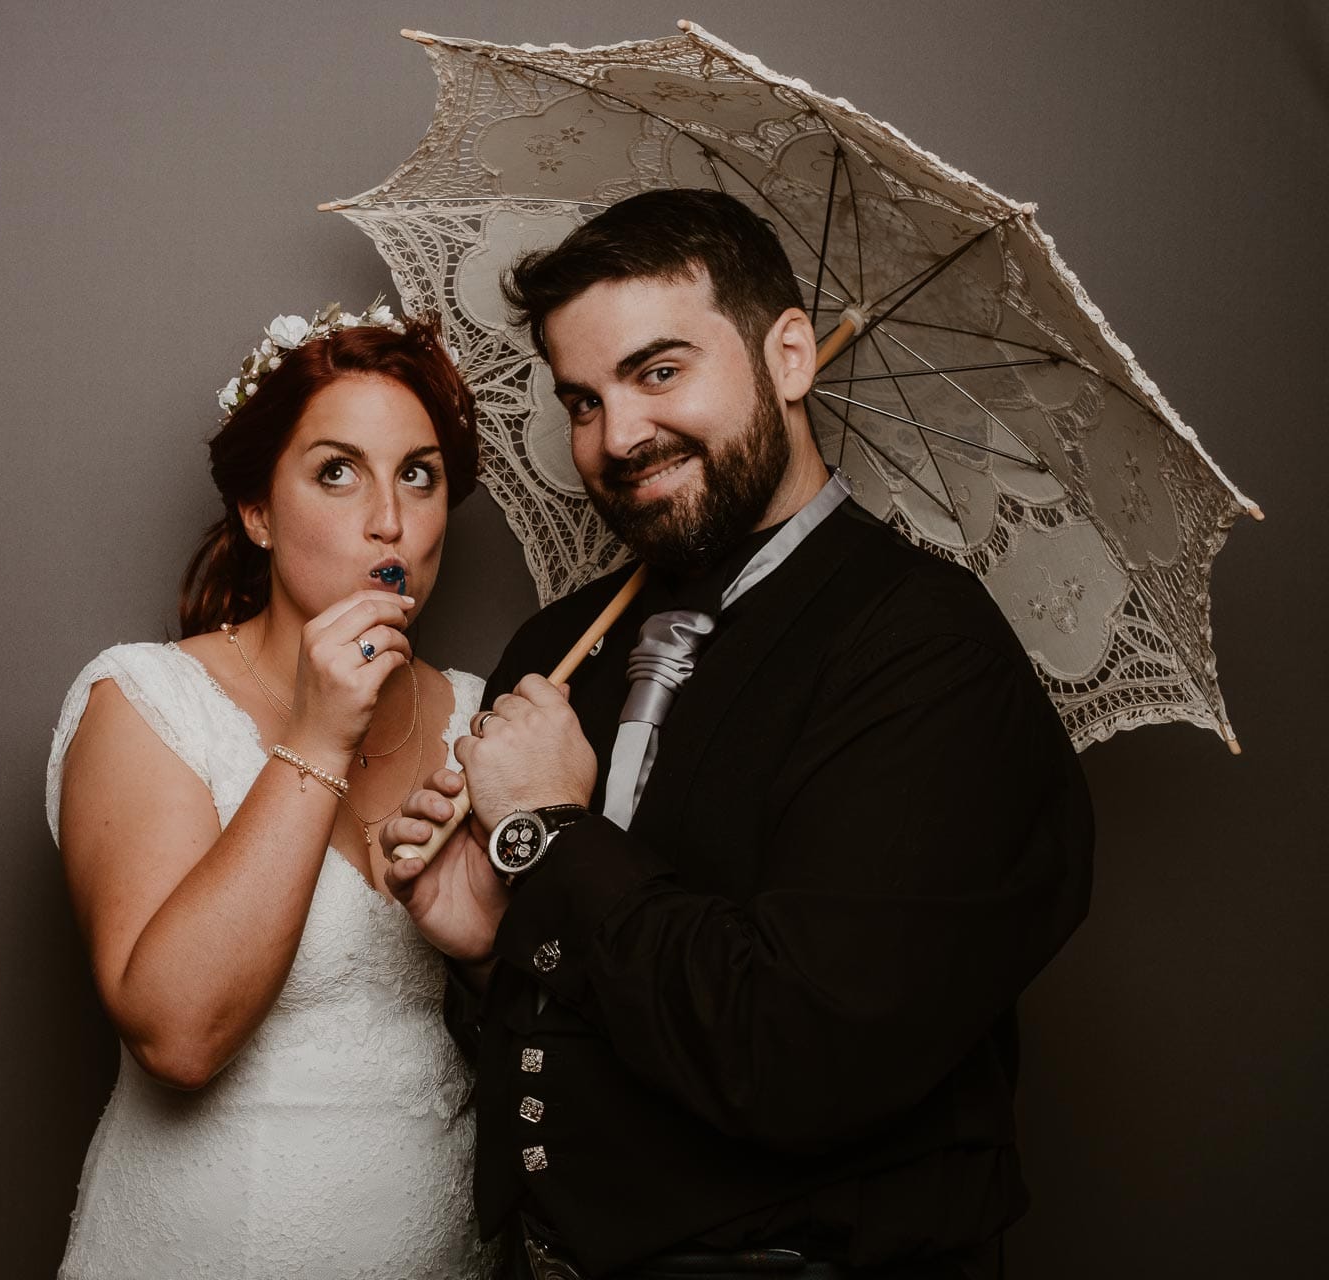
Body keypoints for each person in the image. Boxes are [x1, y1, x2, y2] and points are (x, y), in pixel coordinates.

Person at [384, 190, 1094, 1279]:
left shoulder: (926, 650)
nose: (615, 437)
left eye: (657, 371)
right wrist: (486, 948)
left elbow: (797, 1052)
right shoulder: (557, 643)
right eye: (581, 399)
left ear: (792, 354)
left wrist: (551, 830)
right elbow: (567, 1028)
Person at [46, 302, 499, 1279]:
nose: (389, 518)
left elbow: (555, 1038)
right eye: (337, 470)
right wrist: (317, 733)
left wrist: (488, 951)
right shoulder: (145, 699)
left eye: (416, 474)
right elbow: (176, 1032)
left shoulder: (477, 718)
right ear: (256, 509)